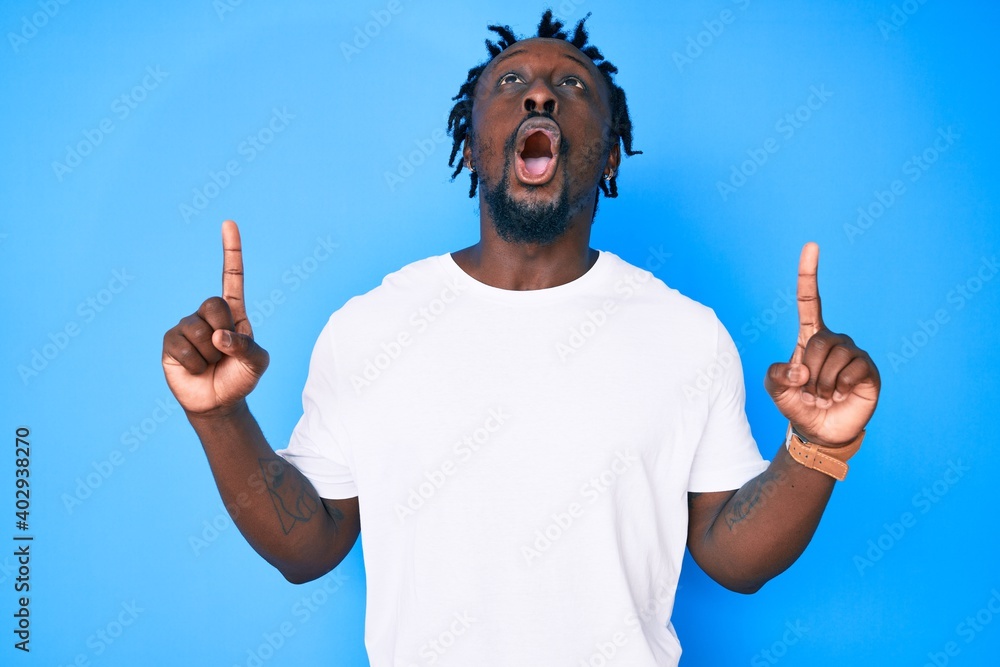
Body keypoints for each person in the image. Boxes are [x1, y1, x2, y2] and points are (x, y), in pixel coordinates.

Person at [161, 11, 880, 666]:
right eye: (512, 83)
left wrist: (821, 449)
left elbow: (734, 556)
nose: (541, 95)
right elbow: (307, 545)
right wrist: (219, 416)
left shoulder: (686, 335)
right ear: (472, 148)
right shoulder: (370, 327)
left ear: (608, 159)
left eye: (572, 85)